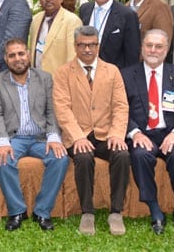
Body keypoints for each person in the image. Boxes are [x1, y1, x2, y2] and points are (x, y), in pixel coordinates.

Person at [53, 26, 129, 236]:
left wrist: (117, 134)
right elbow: (62, 108)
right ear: (75, 46)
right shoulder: (62, 73)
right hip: (78, 134)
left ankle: (116, 212)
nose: (87, 49)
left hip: (106, 133)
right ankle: (88, 213)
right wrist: (77, 137)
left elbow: (121, 106)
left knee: (122, 155)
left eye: (92, 45)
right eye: (82, 45)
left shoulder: (112, 71)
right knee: (84, 157)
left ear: (98, 45)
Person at [121, 29, 174, 234]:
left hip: (172, 132)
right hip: (142, 133)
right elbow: (119, 110)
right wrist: (135, 133)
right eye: (149, 45)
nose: (153, 50)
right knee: (140, 155)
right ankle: (155, 209)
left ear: (166, 50)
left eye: (158, 46)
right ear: (142, 48)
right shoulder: (126, 75)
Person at [0, 38, 68, 232]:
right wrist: (2, 141)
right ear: (6, 59)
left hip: (41, 137)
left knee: (60, 158)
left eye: (21, 53)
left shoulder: (45, 78)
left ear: (28, 54)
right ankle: (17, 210)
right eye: (12, 55)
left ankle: (42, 211)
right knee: (2, 158)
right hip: (13, 138)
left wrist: (53, 136)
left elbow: (52, 111)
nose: (18, 59)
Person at [79, 0, 141, 69]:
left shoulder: (127, 15)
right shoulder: (84, 10)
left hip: (113, 76)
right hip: (85, 72)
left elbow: (132, 55)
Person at [28, 0, 83, 75]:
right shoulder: (35, 20)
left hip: (59, 83)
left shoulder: (72, 21)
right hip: (36, 81)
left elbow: (73, 59)